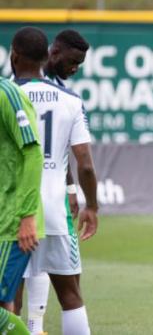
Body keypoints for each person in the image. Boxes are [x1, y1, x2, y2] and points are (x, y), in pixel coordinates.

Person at [12, 26, 98, 335]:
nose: (74, 69)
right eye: (72, 61)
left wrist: (72, 189)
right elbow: (83, 162)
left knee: (10, 296)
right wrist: (92, 205)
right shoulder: (70, 100)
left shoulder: (9, 92)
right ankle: (35, 329)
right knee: (71, 293)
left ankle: (31, 328)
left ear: (14, 56)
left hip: (14, 206)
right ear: (52, 52)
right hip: (53, 207)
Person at [0, 27, 45, 335]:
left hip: (11, 222)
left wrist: (27, 216)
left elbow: (33, 153)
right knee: (6, 306)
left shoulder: (8, 94)